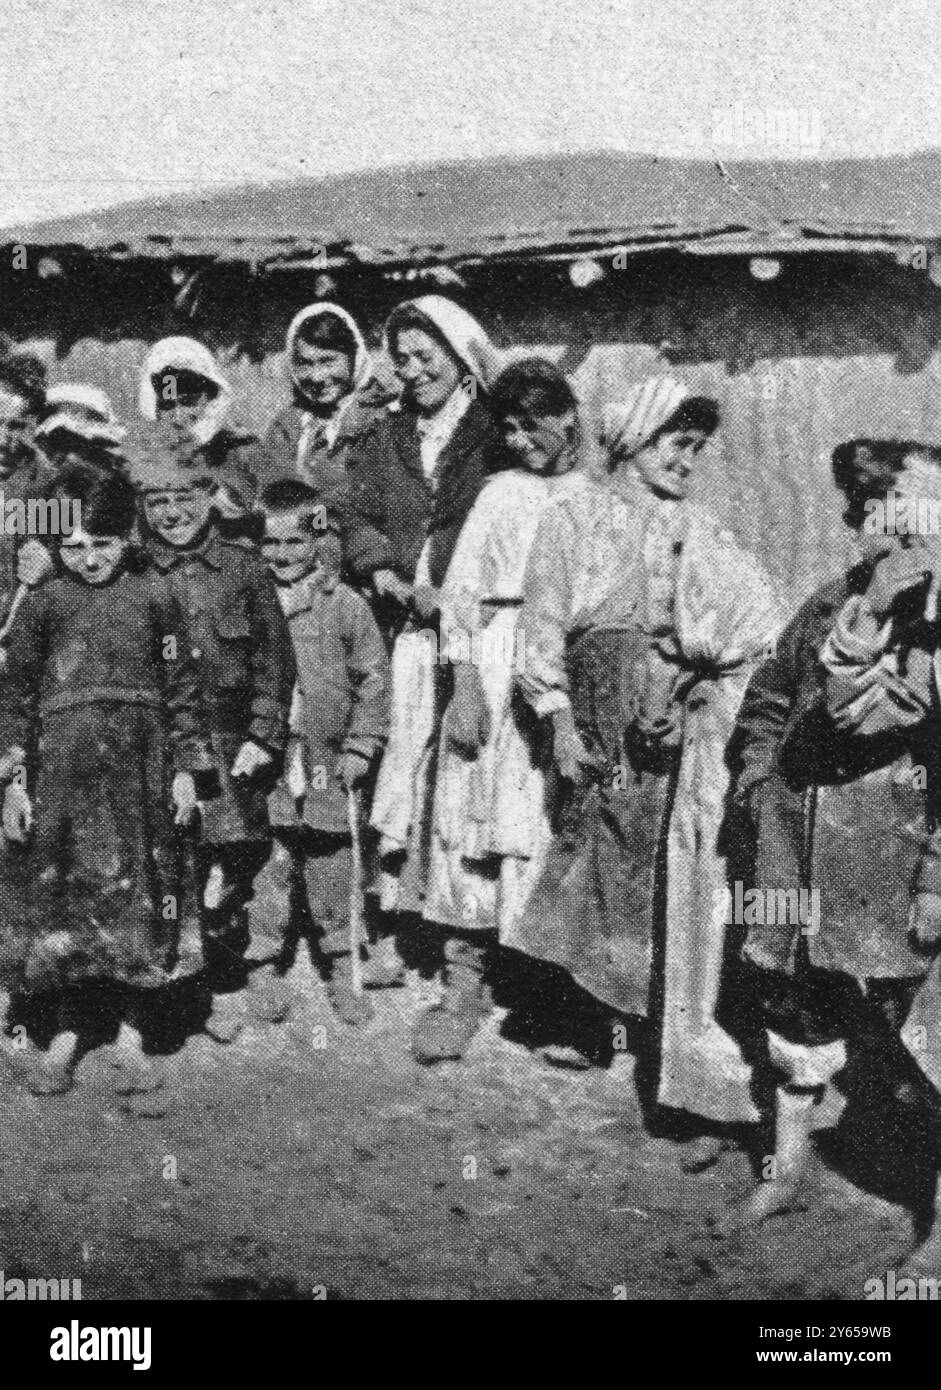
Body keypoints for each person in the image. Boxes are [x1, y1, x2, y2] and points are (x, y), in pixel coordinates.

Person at [508, 376, 778, 1151]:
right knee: (594, 855)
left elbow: (728, 630)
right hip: (597, 706)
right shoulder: (575, 518)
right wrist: (556, 719)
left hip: (674, 719)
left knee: (665, 873)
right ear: (631, 438)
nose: (686, 461)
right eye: (674, 443)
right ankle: (590, 1017)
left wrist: (690, 687)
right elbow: (544, 625)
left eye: (696, 448)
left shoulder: (700, 528)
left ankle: (663, 1040)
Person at [727, 441, 941, 1267]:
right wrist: (756, 782)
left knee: (919, 1042)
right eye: (883, 520)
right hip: (796, 858)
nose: (906, 541)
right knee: (793, 1009)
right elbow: (769, 701)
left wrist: (935, 875)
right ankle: (786, 1172)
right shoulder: (827, 607)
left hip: (895, 868)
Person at [0, 463, 210, 1096]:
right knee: (64, 895)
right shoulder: (42, 603)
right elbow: (13, 694)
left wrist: (184, 771)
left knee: (137, 895)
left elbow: (183, 690)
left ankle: (128, 1034)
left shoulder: (157, 598)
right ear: (54, 542)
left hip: (139, 773)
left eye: (103, 543)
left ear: (128, 535)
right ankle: (65, 1030)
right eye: (74, 545)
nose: (89, 559)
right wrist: (12, 777)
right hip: (61, 773)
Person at [415, 358, 581, 1062]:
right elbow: (458, 595)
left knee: (543, 827)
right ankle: (464, 984)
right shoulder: (498, 493)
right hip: (493, 654)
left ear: (568, 415)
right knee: (471, 823)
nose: (519, 440)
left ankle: (548, 991)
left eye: (531, 424)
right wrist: (463, 685)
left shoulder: (595, 496)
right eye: (507, 427)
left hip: (564, 668)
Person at [343, 296, 502, 941]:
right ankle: (399, 920)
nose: (411, 371)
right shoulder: (390, 436)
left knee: (466, 766)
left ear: (461, 359)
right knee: (405, 765)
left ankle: (467, 938)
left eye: (425, 357)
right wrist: (382, 569)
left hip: (481, 630)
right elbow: (355, 515)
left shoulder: (494, 433)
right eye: (401, 358)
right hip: (405, 625)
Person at [131, 441, 296, 1041]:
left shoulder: (246, 569)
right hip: (160, 746)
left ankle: (234, 971)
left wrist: (264, 734)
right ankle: (184, 984)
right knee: (172, 866)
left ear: (209, 498)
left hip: (231, 748)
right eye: (157, 502)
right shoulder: (131, 570)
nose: (172, 513)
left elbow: (275, 662)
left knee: (232, 865)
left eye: (183, 498)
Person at [252, 479, 393, 1024]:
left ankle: (340, 960)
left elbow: (373, 679)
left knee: (331, 858)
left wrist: (361, 746)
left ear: (319, 538)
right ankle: (262, 962)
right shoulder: (251, 597)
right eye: (270, 543)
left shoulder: (345, 604)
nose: (282, 555)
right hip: (267, 758)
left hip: (326, 757)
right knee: (271, 860)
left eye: (294, 542)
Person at [262, 302, 390, 495]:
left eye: (327, 361)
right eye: (304, 363)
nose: (317, 377)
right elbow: (268, 491)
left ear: (353, 358)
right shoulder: (288, 424)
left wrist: (313, 518)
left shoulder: (381, 420)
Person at [138, 336, 263, 530]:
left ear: (212, 398)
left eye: (189, 402)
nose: (178, 416)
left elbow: (256, 514)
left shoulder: (243, 450)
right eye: (167, 405)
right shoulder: (145, 458)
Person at [0, 350, 58, 619]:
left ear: (33, 425)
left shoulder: (44, 478)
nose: (3, 439)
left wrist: (51, 565)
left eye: (16, 426)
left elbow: (65, 550)